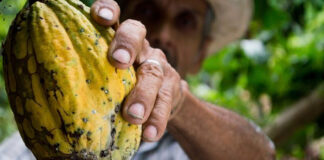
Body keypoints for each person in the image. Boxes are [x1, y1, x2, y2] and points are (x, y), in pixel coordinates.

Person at [0, 0, 275, 159]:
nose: (163, 34)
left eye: (185, 21)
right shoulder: (18, 150)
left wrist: (178, 103)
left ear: (201, 53)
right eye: (148, 10)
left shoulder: (198, 148)